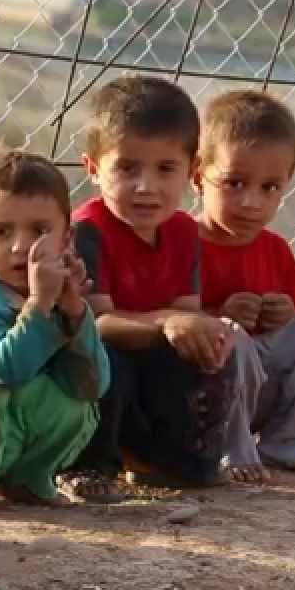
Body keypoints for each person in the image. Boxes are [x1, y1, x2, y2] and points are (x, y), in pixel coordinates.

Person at [68, 74, 242, 497]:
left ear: (192, 172)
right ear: (93, 168)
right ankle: (89, 467)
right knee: (107, 361)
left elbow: (186, 310)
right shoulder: (87, 231)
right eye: (126, 168)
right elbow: (95, 323)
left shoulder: (183, 232)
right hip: (96, 356)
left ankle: (174, 461)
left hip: (151, 356)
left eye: (166, 169)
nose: (146, 187)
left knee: (210, 347)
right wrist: (167, 323)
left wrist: (204, 331)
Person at [0, 149, 107, 515]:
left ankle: (28, 479)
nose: (20, 246)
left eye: (40, 231)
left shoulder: (61, 290)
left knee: (75, 403)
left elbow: (94, 384)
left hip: (12, 436)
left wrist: (74, 312)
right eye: (1, 232)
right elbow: (1, 373)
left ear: (66, 240)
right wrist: (38, 305)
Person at [194, 89, 295, 483]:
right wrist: (216, 316)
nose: (251, 202)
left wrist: (288, 316)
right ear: (198, 176)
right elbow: (169, 320)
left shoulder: (274, 249)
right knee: (230, 335)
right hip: (203, 397)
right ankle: (232, 452)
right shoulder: (180, 243)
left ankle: (286, 444)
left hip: (264, 388)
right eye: (235, 183)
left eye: (270, 188)